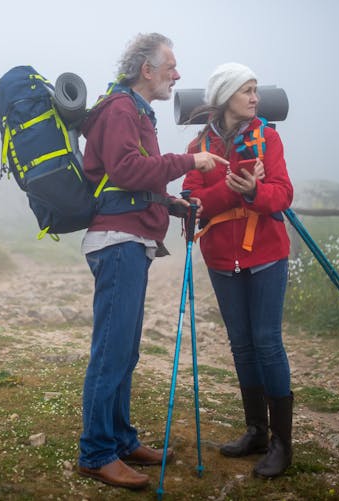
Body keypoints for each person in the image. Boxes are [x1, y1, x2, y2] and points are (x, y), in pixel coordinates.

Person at [76, 33, 228, 490]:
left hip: (130, 240)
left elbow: (134, 179)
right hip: (117, 241)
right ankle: (96, 452)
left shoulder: (135, 111)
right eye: (170, 66)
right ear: (147, 69)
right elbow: (124, 170)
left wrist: (173, 204)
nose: (177, 75)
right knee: (111, 350)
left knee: (126, 350)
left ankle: (121, 439)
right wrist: (190, 161)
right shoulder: (121, 109)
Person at [182, 62, 294, 478]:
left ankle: (283, 445)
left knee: (266, 342)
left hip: (265, 253)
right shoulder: (200, 145)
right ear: (226, 96)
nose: (254, 97)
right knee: (242, 344)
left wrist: (255, 193)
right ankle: (257, 432)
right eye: (246, 90)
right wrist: (230, 187)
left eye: (255, 90)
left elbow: (283, 194)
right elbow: (192, 201)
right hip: (220, 258)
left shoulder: (268, 138)